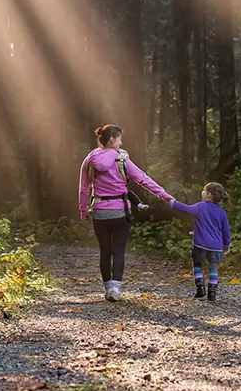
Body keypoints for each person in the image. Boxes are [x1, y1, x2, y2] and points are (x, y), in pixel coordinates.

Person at [79, 124, 172, 301]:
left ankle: (107, 288)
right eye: (120, 139)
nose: (121, 143)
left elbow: (84, 188)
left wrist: (84, 211)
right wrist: (165, 196)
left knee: (104, 251)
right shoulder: (121, 159)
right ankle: (116, 288)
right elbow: (143, 179)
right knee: (119, 250)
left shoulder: (90, 159)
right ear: (112, 139)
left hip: (99, 212)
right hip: (120, 212)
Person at [168, 182, 231, 302]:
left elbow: (185, 209)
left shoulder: (200, 207)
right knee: (213, 267)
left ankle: (200, 288)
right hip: (216, 246)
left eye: (204, 190)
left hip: (200, 244)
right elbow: (226, 231)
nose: (202, 192)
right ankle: (212, 292)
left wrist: (172, 202)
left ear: (208, 195)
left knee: (197, 264)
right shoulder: (222, 212)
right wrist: (226, 245)